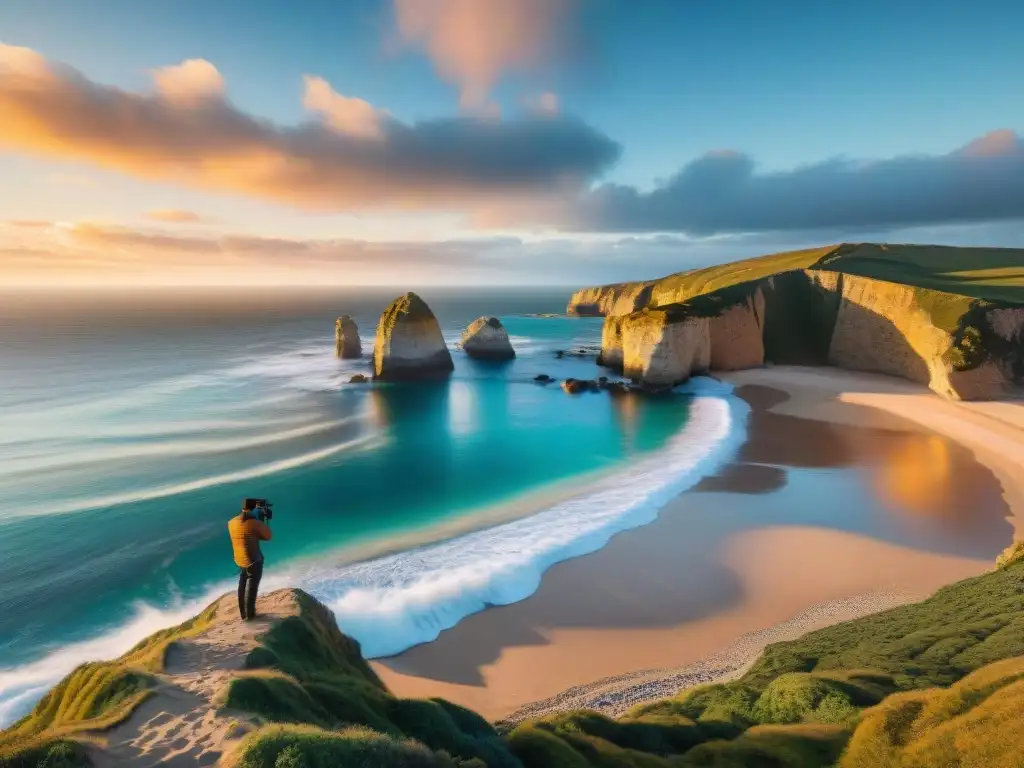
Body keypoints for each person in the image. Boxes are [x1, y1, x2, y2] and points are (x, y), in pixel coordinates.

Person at [228, 498, 272, 621]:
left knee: (242, 585)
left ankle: (243, 614)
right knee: (252, 588)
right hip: (254, 560)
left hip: (240, 559)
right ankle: (250, 616)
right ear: (253, 509)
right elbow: (267, 536)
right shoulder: (253, 523)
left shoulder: (232, 522)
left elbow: (246, 534)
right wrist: (263, 520)